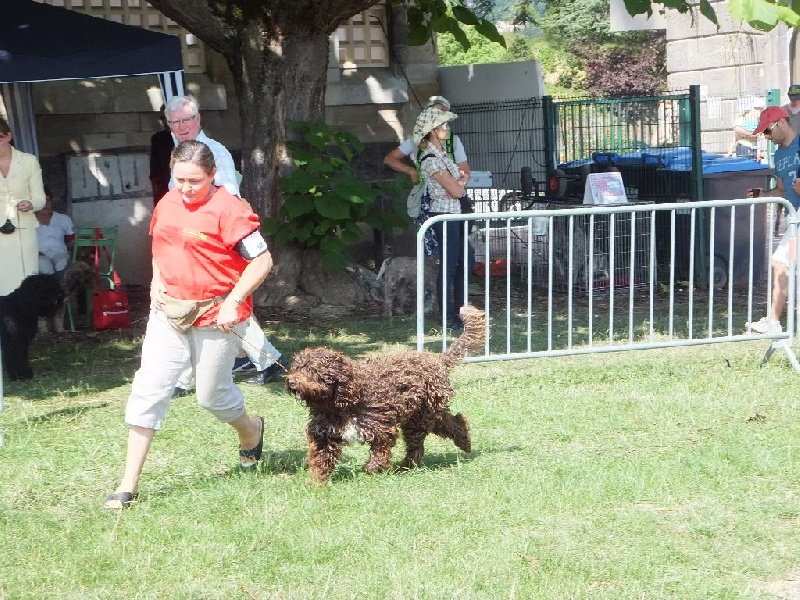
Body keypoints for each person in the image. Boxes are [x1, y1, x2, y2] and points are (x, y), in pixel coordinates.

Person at [105, 140, 273, 509]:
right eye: (179, 179)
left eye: (194, 180)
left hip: (215, 316)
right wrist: (155, 285)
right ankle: (127, 486)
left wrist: (232, 302)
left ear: (213, 175)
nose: (185, 188)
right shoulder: (167, 203)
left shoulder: (230, 211)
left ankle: (251, 431)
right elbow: (161, 250)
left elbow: (261, 262)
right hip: (168, 312)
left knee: (210, 396)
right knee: (149, 389)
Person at [164, 95, 288, 390]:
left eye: (186, 120)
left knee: (215, 301)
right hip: (190, 240)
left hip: (216, 239)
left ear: (198, 119)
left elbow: (229, 195)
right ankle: (264, 359)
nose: (181, 126)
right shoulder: (178, 152)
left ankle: (183, 379)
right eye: (175, 122)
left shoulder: (214, 152)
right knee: (219, 302)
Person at [413, 106, 471, 330]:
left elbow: (460, 184)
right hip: (444, 214)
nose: (447, 128)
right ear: (433, 130)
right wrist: (459, 185)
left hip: (453, 212)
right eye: (443, 125)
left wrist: (459, 185)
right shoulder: (430, 158)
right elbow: (456, 190)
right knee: (449, 265)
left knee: (462, 262)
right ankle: (448, 316)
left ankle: (461, 313)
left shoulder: (442, 155)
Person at [744, 106, 800, 334]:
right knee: (786, 265)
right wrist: (763, 195)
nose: (766, 137)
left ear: (782, 123)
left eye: (767, 131)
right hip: (793, 217)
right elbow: (781, 189)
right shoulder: (779, 154)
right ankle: (774, 322)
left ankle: (774, 322)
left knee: (780, 262)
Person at [0, 117, 46, 296]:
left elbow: (40, 198)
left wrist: (31, 204)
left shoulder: (29, 161)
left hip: (24, 231)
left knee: (26, 284)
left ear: (9, 136)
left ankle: (27, 323)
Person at [35, 187, 75, 275]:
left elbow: (73, 240)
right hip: (38, 255)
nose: (45, 204)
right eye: (41, 201)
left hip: (60, 253)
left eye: (48, 200)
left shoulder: (63, 219)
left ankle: (62, 287)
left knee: (63, 262)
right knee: (44, 265)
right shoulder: (28, 221)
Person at [149, 105, 173, 206]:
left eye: (168, 117)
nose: (165, 122)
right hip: (164, 187)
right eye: (163, 118)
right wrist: (156, 194)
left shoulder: (188, 136)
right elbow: (154, 168)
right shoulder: (158, 138)